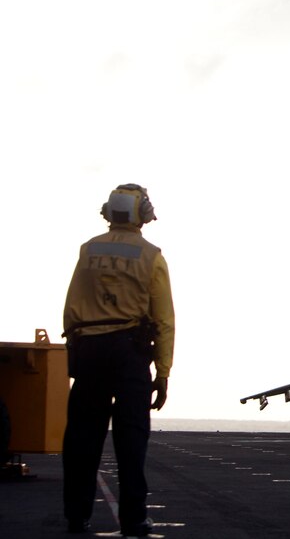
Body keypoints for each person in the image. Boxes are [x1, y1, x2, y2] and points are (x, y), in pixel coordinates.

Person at [62, 184, 175, 536]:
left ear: (110, 212)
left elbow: (70, 311)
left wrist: (75, 358)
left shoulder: (88, 250)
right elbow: (164, 320)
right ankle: (134, 520)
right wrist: (163, 371)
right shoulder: (151, 255)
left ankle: (76, 516)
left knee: (82, 438)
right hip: (129, 353)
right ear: (142, 213)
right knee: (131, 438)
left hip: (89, 352)